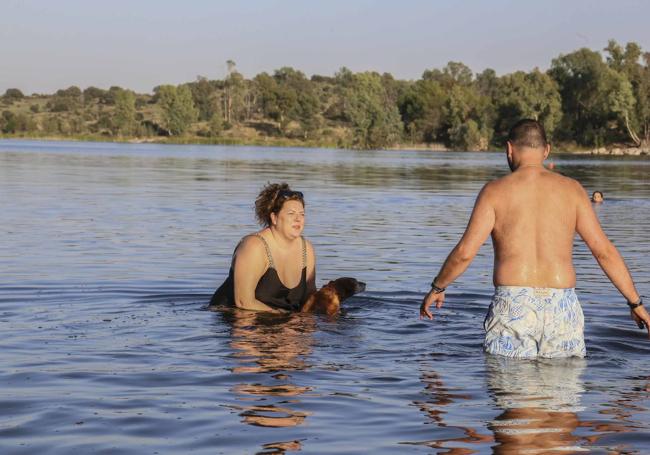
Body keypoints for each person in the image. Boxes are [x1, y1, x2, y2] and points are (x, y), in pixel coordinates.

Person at [420, 119, 650, 358]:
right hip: (562, 308)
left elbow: (465, 252)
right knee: (563, 391)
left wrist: (438, 287)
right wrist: (635, 303)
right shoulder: (573, 190)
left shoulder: (494, 192)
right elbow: (603, 251)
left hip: (513, 305)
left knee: (509, 388)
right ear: (547, 150)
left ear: (509, 149)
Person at [210, 183, 316, 312]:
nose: (298, 219)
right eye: (291, 213)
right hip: (238, 320)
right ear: (274, 218)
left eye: (302, 214)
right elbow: (243, 301)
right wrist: (282, 319)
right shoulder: (254, 246)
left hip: (280, 323)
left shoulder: (307, 249)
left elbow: (310, 295)